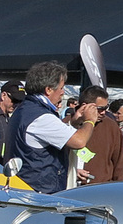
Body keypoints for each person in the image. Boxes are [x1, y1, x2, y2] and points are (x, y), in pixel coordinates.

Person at [7, 62, 97, 195]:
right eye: (61, 88)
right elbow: (79, 141)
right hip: (39, 192)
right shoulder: (40, 117)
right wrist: (90, 120)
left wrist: (73, 123)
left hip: (26, 186)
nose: (63, 92)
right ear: (48, 89)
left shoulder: (26, 109)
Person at [75, 85, 123, 185]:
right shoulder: (67, 125)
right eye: (99, 109)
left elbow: (119, 162)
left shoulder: (111, 127)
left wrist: (120, 188)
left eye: (105, 108)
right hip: (70, 188)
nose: (103, 112)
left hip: (101, 188)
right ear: (85, 106)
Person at [0, 80, 24, 161]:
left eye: (20, 102)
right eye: (14, 100)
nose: (16, 104)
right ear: (3, 95)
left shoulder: (10, 117)